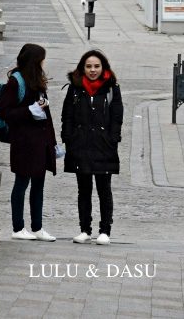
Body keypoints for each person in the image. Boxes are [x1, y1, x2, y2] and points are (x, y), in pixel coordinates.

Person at [61, 49, 123, 246]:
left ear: (103, 67)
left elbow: (117, 116)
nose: (92, 70)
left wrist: (112, 139)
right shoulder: (75, 88)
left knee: (104, 189)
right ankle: (84, 229)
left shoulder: (112, 88)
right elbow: (67, 115)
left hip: (104, 146)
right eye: (88, 66)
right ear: (82, 68)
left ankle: (105, 230)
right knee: (83, 189)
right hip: (81, 146)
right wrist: (69, 138)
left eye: (96, 66)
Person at [0, 44, 58, 242]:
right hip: (23, 142)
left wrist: (53, 142)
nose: (43, 62)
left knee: (39, 184)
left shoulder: (38, 80)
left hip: (40, 142)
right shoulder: (16, 82)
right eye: (41, 59)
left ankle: (37, 227)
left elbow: (46, 114)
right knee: (21, 183)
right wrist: (29, 111)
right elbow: (4, 112)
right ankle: (18, 227)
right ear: (34, 61)